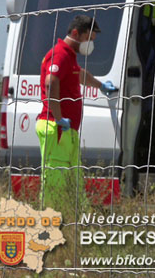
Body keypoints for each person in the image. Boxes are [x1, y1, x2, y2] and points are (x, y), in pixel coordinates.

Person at [36, 15, 118, 208]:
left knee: (73, 178)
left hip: (66, 130)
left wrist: (100, 86)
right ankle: (49, 222)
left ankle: (76, 220)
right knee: (54, 180)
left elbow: (80, 75)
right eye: (88, 38)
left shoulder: (69, 56)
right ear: (75, 33)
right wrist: (58, 118)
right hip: (55, 127)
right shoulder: (60, 54)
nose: (90, 44)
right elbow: (51, 83)